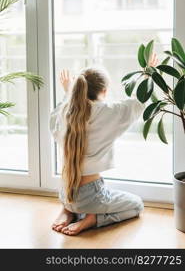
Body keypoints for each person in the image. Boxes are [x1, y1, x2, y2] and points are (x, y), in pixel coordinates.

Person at [50, 55, 158, 236]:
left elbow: (54, 121)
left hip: (65, 190)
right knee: (137, 204)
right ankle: (93, 218)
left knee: (80, 196)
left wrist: (67, 93)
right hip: (90, 196)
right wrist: (147, 73)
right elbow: (138, 102)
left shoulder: (65, 112)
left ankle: (68, 210)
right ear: (104, 91)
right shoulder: (108, 112)